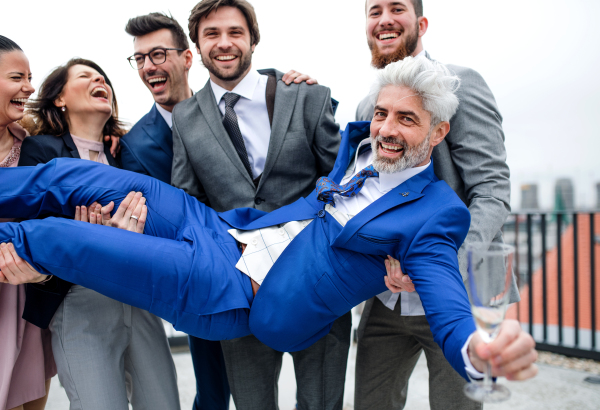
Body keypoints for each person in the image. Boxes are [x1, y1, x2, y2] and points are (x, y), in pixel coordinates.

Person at [0, 57, 538, 392]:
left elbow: (446, 300)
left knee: (57, 239)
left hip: (234, 287)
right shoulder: (362, 143)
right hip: (221, 229)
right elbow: (321, 125)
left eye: (406, 119)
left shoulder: (437, 215)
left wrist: (478, 352)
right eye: (382, 113)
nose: (386, 128)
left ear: (438, 132)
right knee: (77, 177)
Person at [171, 1, 345, 409]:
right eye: (212, 34)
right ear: (196, 45)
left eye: (235, 32)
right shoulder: (185, 117)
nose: (224, 43)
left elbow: (341, 183)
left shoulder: (307, 96)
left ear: (253, 39)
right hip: (240, 291)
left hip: (317, 282)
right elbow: (189, 202)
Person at [353, 2, 516, 409]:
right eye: (375, 10)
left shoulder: (461, 83)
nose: (384, 19)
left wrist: (442, 267)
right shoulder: (365, 107)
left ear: (421, 23)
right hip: (387, 297)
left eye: (397, 8)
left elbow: (492, 189)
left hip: (462, 292)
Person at [15, 58, 179, 410]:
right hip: (78, 299)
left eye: (102, 77)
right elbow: (30, 222)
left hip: (139, 297)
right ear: (60, 98)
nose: (99, 79)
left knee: (164, 404)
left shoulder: (127, 155)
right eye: (85, 76)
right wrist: (84, 238)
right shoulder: (40, 151)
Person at [0, 35, 57, 410]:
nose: (30, 87)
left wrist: (41, 275)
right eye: (17, 77)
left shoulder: (38, 151)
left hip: (23, 304)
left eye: (31, 77)